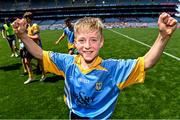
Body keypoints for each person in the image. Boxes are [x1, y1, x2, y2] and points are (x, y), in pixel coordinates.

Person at [13, 12, 177, 119]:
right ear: (75, 43)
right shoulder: (68, 63)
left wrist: (163, 36)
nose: (87, 46)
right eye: (82, 40)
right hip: (74, 115)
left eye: (93, 40)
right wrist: (22, 35)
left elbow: (147, 62)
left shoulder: (113, 69)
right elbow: (40, 54)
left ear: (101, 42)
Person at [21, 12, 46, 84]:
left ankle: (44, 74)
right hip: (29, 47)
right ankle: (31, 77)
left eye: (25, 18)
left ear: (28, 18)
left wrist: (27, 36)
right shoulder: (28, 26)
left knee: (40, 62)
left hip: (36, 47)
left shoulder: (34, 25)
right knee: (26, 61)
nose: (24, 19)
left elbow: (37, 37)